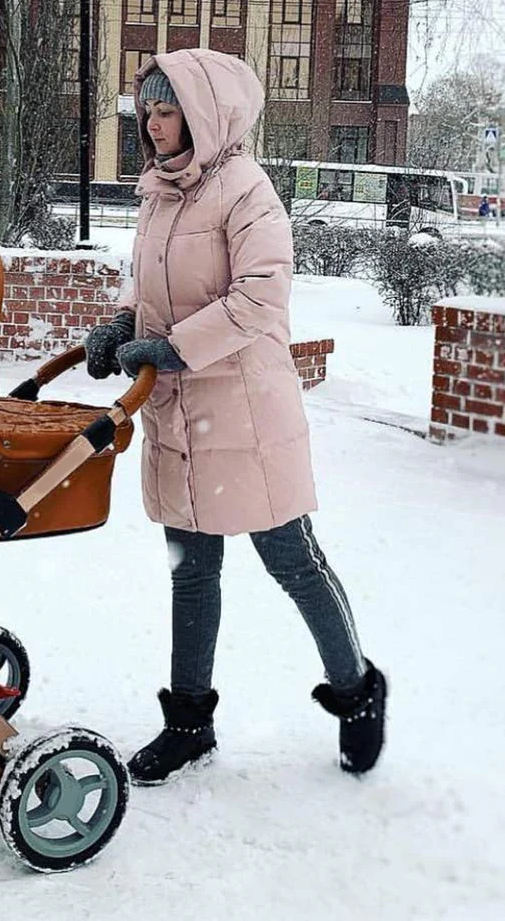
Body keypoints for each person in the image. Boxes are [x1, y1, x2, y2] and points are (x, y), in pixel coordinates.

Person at [84, 50, 387, 785]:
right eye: (148, 112)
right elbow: (145, 283)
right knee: (191, 573)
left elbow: (260, 298)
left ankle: (356, 692)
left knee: (293, 562)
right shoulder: (157, 193)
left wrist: (173, 348)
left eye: (168, 112)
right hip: (178, 416)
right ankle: (188, 723)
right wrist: (121, 323)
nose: (153, 126)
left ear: (204, 115)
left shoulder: (247, 192)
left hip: (246, 416)